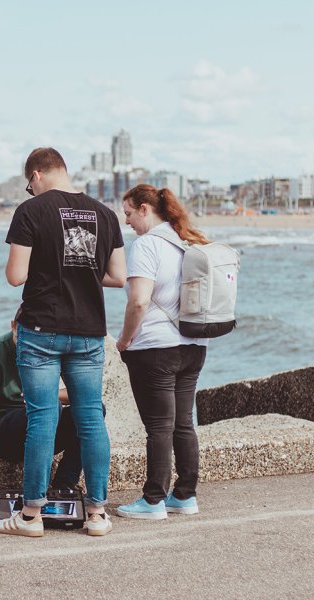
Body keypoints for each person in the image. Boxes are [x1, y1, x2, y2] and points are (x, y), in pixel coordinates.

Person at [0, 147, 126, 538]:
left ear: (36, 175)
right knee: (90, 418)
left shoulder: (31, 211)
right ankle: (98, 514)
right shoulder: (105, 213)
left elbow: (15, 276)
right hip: (88, 331)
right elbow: (118, 276)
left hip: (41, 330)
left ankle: (31, 516)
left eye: (28, 184)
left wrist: (50, 268)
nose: (29, 190)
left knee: (43, 418)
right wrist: (79, 272)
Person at [115, 184, 209, 520]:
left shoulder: (147, 245)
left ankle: (153, 500)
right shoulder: (187, 239)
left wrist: (124, 340)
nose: (126, 222)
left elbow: (139, 300)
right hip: (194, 345)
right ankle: (184, 496)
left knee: (158, 426)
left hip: (155, 348)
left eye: (128, 213)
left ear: (144, 209)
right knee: (183, 423)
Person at [0, 308, 108, 492]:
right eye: (22, 335)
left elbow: (81, 395)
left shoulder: (49, 346)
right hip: (4, 430)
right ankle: (37, 489)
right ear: (13, 327)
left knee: (94, 409)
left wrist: (48, 393)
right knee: (48, 408)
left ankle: (64, 485)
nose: (28, 343)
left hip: (46, 427)